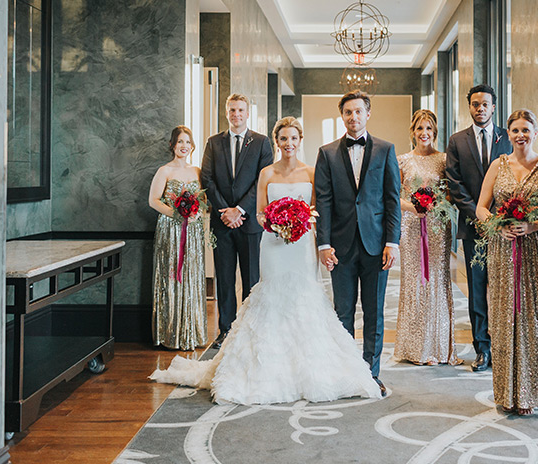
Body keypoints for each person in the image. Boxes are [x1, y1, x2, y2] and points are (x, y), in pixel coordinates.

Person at [151, 117, 381, 404]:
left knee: (302, 299)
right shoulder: (266, 173)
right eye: (283, 139)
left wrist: (300, 224)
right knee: (270, 299)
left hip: (301, 245)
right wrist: (276, 223)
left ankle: (306, 366)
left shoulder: (311, 172)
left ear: (300, 140)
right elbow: (260, 212)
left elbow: (319, 207)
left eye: (293, 138)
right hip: (273, 244)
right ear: (277, 142)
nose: (289, 144)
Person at [314, 90, 402, 396]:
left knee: (375, 311)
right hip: (340, 246)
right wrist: (323, 244)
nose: (353, 117)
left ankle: (371, 373)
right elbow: (323, 202)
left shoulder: (385, 150)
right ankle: (345, 371)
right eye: (348, 112)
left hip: (377, 244)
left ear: (368, 114)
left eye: (358, 112)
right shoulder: (326, 154)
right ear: (342, 116)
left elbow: (392, 200)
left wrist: (393, 241)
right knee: (343, 312)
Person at [476, 110, 538, 415]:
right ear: (507, 134)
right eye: (515, 130)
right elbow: (482, 208)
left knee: (533, 319)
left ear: (536, 132)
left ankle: (529, 394)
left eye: (526, 129)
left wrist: (533, 225)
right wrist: (499, 223)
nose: (520, 135)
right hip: (503, 249)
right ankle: (505, 393)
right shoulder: (498, 164)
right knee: (502, 316)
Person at [445, 84, 512, 371]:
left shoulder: (510, 138)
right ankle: (482, 348)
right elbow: (454, 183)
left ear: (493, 107)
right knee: (477, 287)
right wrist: (479, 216)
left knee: (504, 288)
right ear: (469, 107)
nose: (480, 108)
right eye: (475, 104)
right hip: (473, 227)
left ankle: (504, 346)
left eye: (485, 104)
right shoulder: (457, 141)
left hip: (507, 228)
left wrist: (499, 219)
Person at [201, 94, 274, 348]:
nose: (236, 114)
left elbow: (262, 181)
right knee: (224, 278)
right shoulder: (213, 143)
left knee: (252, 278)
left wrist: (240, 209)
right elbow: (207, 180)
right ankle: (226, 330)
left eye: (241, 110)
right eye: (232, 110)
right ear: (226, 112)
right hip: (222, 223)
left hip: (251, 222)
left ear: (247, 113)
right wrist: (225, 210)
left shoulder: (262, 143)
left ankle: (250, 329)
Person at [393, 110, 460, 366]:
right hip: (411, 226)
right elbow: (394, 195)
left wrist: (436, 203)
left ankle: (439, 346)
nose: (424, 134)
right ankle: (414, 347)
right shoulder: (402, 160)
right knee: (414, 281)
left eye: (429, 129)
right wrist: (414, 207)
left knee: (436, 280)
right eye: (420, 129)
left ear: (435, 132)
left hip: (437, 226)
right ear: (413, 132)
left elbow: (452, 193)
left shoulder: (443, 160)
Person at [147, 125, 208, 351]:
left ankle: (193, 332)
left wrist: (197, 213)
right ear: (172, 145)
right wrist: (177, 214)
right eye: (180, 142)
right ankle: (171, 333)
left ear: (192, 146)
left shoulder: (197, 171)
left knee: (191, 274)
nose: (184, 146)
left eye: (188, 142)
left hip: (192, 231)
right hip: (171, 231)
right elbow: (153, 201)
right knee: (172, 276)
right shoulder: (164, 171)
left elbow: (204, 199)